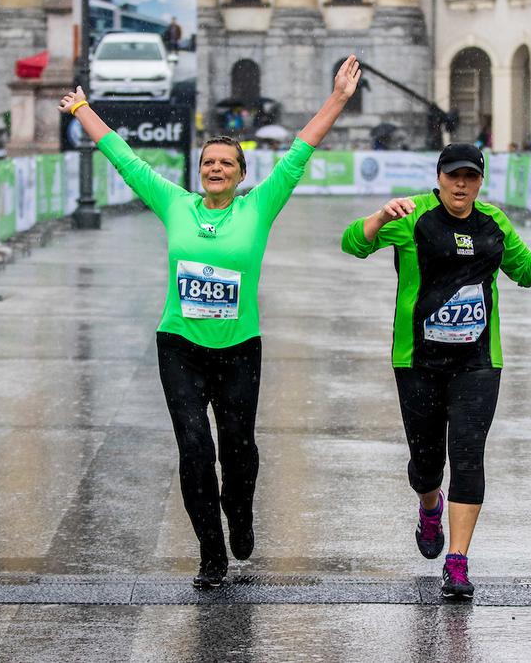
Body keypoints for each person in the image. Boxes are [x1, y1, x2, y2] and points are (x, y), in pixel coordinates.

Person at [58, 55, 362, 590]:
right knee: (195, 447)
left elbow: (299, 153)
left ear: (242, 174)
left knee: (238, 449)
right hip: (179, 346)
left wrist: (337, 98)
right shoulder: (175, 204)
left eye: (226, 163)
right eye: (208, 164)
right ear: (198, 173)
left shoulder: (258, 208)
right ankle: (210, 551)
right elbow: (126, 160)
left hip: (240, 347)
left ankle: (239, 513)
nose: (216, 169)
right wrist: (84, 110)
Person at [341, 144, 531, 600]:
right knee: (426, 463)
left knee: (468, 456)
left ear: (480, 180)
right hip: (418, 361)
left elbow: (526, 272)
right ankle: (429, 506)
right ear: (440, 177)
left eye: (470, 176)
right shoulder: (413, 214)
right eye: (453, 176)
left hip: (478, 362)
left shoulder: (493, 222)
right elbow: (353, 243)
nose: (461, 185)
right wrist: (379, 218)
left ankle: (458, 561)